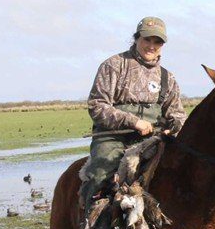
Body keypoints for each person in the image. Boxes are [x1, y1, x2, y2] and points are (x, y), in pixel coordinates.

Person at [80, 16, 186, 214]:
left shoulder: (167, 77)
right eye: (147, 39)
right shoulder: (114, 65)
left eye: (157, 42)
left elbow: (177, 113)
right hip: (113, 136)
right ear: (136, 38)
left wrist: (175, 127)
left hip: (153, 138)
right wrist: (134, 121)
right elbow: (97, 105)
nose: (151, 46)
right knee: (99, 174)